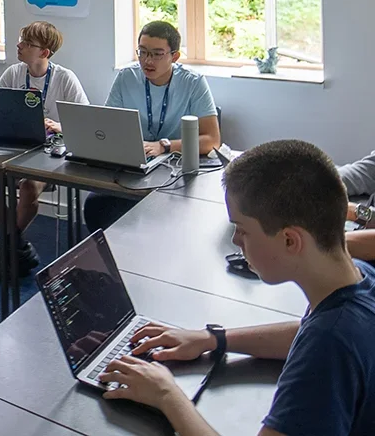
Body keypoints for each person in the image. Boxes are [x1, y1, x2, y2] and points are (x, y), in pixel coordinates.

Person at [97, 140, 375, 436]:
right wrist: (213, 339)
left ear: (290, 241)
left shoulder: (327, 348)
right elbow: (306, 332)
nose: (235, 242)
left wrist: (167, 395)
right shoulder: (357, 279)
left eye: (242, 230)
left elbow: (322, 342)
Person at [0, 21, 89, 281]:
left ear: (44, 52)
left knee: (28, 187)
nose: (19, 45)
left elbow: (84, 121)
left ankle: (8, 245)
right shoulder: (13, 73)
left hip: (49, 152)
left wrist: (57, 125)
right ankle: (16, 245)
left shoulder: (64, 78)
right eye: (20, 39)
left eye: (26, 43)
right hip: (13, 146)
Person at [83, 21, 221, 232]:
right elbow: (108, 124)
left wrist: (163, 146)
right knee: (96, 206)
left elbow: (211, 141)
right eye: (143, 52)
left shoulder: (193, 82)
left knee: (167, 218)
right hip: (135, 166)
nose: (147, 61)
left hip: (176, 170)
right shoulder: (126, 77)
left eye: (157, 54)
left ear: (174, 57)